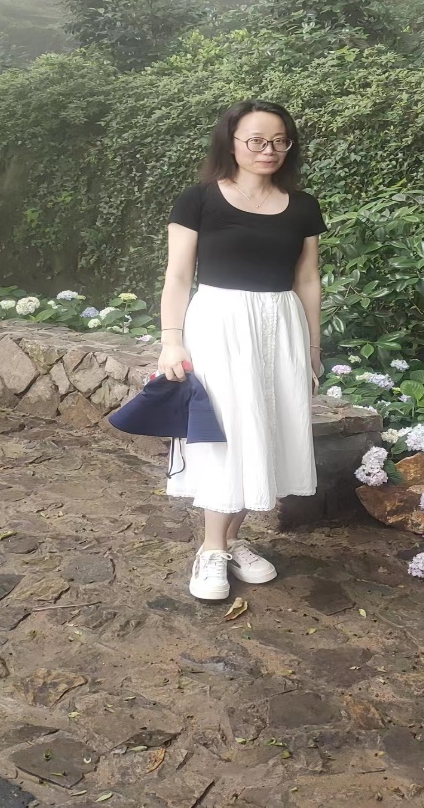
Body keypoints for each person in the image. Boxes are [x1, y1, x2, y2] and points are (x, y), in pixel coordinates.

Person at [158, 99, 327, 601]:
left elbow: (307, 279)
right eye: (256, 140)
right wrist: (171, 340)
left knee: (266, 430)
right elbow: (178, 276)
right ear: (231, 143)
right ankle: (210, 549)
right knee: (227, 433)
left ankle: (231, 541)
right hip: (219, 325)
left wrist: (313, 346)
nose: (268, 150)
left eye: (279, 141)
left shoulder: (303, 206)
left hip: (281, 326)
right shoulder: (198, 200)